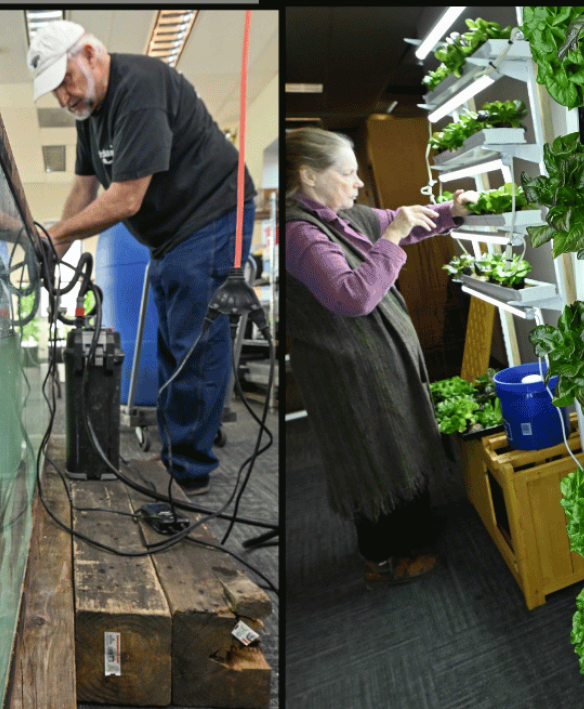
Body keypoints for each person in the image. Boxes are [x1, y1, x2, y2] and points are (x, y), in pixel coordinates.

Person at [28, 19, 256, 496]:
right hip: (170, 237)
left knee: (194, 343)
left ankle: (188, 476)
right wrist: (56, 249)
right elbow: (83, 189)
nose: (64, 99)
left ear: (89, 54)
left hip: (213, 214)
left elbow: (126, 199)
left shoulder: (141, 89)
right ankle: (178, 454)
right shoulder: (90, 116)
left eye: (65, 82)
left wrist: (58, 234)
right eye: (54, 93)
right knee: (172, 342)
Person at [283, 127, 477, 585]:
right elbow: (353, 296)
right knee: (373, 455)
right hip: (348, 372)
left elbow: (400, 220)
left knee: (397, 444)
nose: (357, 183)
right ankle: (389, 557)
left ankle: (400, 545)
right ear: (309, 175)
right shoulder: (299, 233)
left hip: (374, 366)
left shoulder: (339, 217)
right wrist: (392, 236)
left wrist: (453, 211)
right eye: (347, 173)